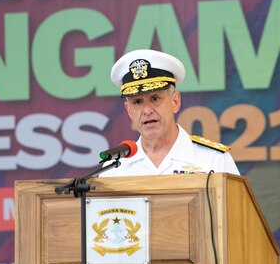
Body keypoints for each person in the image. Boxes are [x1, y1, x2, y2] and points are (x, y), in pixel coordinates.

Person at [101, 49, 239, 177]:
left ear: (175, 102)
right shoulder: (114, 169)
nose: (147, 111)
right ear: (129, 110)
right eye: (137, 102)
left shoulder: (214, 159)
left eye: (155, 98)